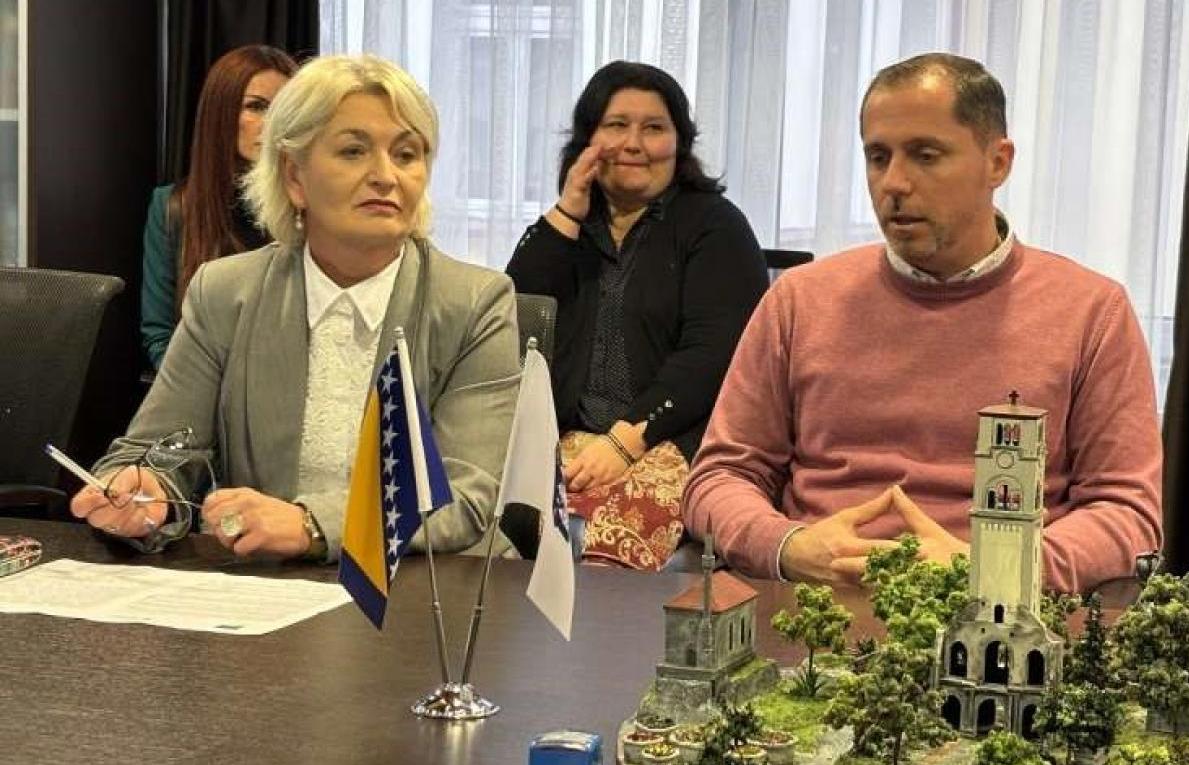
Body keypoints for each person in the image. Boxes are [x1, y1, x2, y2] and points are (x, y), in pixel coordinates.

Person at [682, 53, 1162, 595]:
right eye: (878, 157)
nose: (894, 183)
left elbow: (1126, 512)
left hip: (996, 614)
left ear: (998, 162)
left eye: (925, 155)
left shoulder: (1091, 311)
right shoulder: (800, 300)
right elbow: (719, 477)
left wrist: (990, 569)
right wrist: (788, 546)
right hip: (814, 604)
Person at [70, 55, 520, 563]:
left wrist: (312, 524)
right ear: (294, 177)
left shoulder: (476, 301)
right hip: (273, 586)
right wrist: (144, 488)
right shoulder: (224, 291)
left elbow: (464, 493)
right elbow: (158, 449)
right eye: (353, 151)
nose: (386, 176)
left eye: (406, 154)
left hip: (427, 584)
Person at [506, 61, 768, 571]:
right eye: (616, 125)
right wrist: (568, 209)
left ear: (678, 143)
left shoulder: (716, 226)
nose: (633, 144)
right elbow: (518, 317)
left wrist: (625, 442)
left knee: (603, 543)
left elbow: (711, 356)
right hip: (569, 435)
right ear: (588, 140)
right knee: (499, 523)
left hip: (676, 439)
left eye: (653, 128)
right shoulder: (573, 226)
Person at [140, 45, 298, 370]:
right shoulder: (174, 207)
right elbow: (159, 334)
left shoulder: (308, 205)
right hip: (201, 386)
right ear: (221, 114)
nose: (272, 124)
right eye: (256, 106)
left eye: (284, 109)